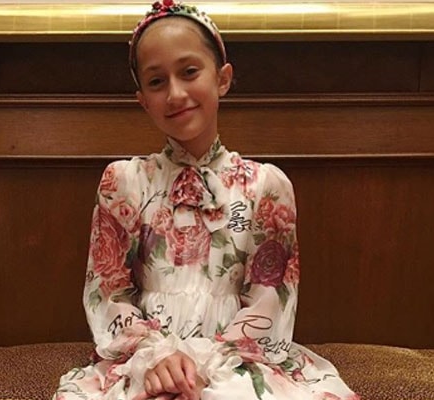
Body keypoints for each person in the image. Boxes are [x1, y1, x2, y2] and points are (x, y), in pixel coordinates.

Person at [54, 1, 358, 399]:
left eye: (189, 72)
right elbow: (108, 291)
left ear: (223, 78)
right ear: (143, 99)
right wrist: (157, 355)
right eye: (157, 81)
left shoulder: (266, 185)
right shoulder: (124, 182)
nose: (175, 93)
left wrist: (205, 363)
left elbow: (270, 299)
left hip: (237, 359)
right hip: (146, 358)